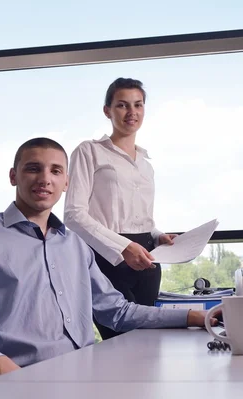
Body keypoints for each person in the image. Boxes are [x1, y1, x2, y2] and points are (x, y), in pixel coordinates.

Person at [0, 137, 214, 385]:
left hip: (82, 381)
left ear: (67, 183)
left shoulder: (75, 245)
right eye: (34, 169)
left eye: (56, 171)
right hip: (13, 386)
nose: (45, 178)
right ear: (13, 176)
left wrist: (196, 317)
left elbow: (118, 312)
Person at [64, 78, 177, 340]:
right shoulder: (88, 151)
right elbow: (73, 214)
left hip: (147, 259)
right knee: (119, 341)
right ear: (108, 111)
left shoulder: (146, 164)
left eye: (138, 105)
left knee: (146, 341)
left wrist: (158, 234)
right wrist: (123, 247)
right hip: (106, 259)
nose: (132, 112)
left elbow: (140, 216)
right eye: (122, 105)